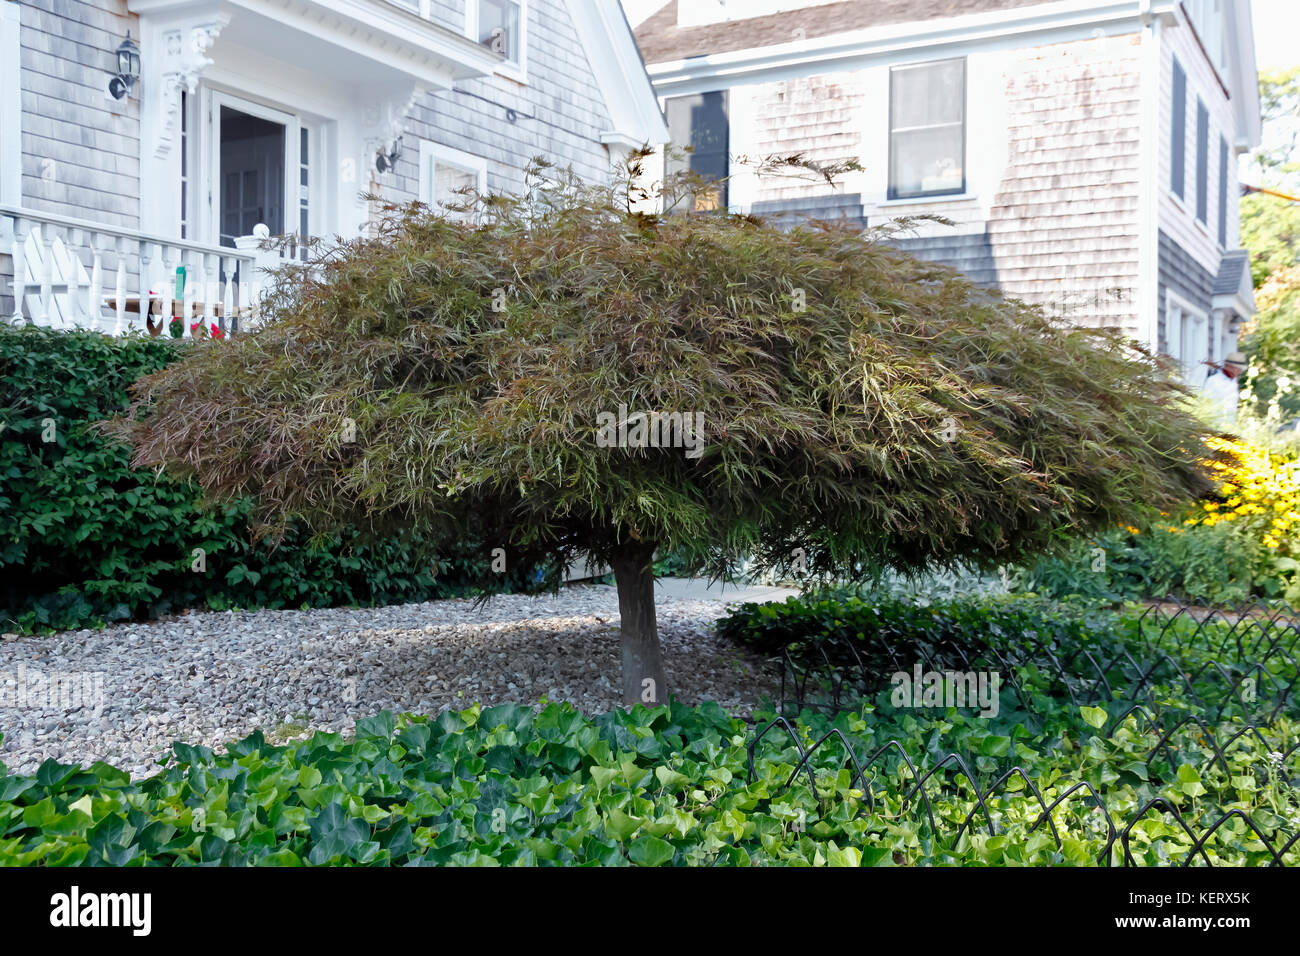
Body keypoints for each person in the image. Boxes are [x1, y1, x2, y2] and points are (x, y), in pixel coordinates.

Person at [1202, 351, 1247, 427]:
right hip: (1213, 425)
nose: (1239, 372)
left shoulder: (1234, 382)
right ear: (1229, 367)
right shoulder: (1213, 380)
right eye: (1238, 369)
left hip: (1229, 426)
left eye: (1240, 370)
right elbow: (1205, 403)